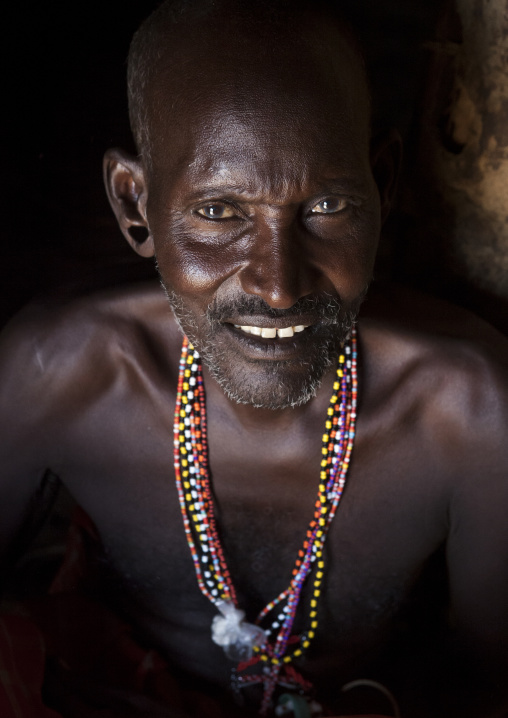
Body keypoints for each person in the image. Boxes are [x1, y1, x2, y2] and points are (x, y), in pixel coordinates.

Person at [1, 0, 508, 716]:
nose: (278, 285)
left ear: (383, 184)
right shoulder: (58, 372)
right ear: (135, 206)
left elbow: (488, 677)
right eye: (219, 212)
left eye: (327, 207)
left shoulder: (471, 410)